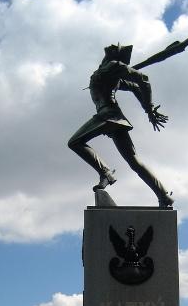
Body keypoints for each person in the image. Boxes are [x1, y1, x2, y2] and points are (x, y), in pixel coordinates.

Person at [68, 43, 173, 208]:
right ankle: (164, 195)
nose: (110, 47)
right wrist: (148, 108)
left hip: (107, 115)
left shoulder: (113, 66)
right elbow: (136, 87)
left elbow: (142, 80)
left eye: (113, 48)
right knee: (134, 162)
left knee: (75, 142)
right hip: (112, 118)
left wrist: (149, 108)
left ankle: (105, 172)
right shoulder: (109, 70)